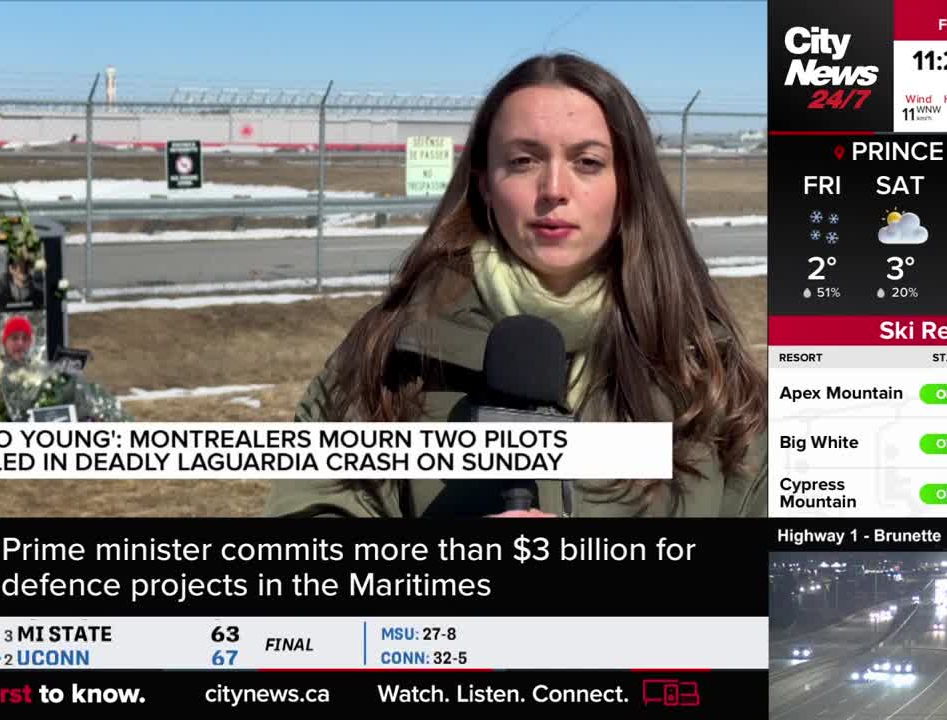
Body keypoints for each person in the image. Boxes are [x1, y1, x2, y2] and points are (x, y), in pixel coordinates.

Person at [264, 53, 766, 518]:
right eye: (523, 161)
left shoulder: (703, 366)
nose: (553, 190)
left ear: (627, 184)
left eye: (587, 162)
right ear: (485, 181)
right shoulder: (393, 352)